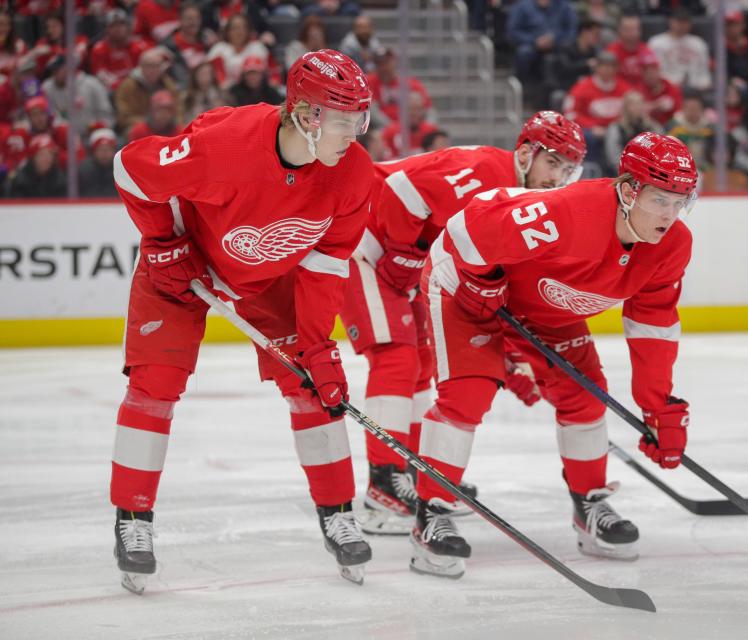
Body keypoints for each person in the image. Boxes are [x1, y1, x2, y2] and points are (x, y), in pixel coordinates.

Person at [108, 49, 376, 594]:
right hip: (184, 261)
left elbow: (325, 264)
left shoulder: (354, 173)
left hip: (270, 274)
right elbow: (129, 169)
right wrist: (163, 240)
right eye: (343, 121)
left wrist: (316, 345)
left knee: (311, 387)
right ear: (304, 114)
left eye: (359, 120)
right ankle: (133, 521)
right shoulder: (224, 144)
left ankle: (338, 513)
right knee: (154, 386)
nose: (354, 134)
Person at [406, 132, 698, 579]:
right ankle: (432, 513)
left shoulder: (672, 246)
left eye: (682, 202)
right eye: (661, 200)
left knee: (585, 396)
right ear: (627, 190)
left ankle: (590, 507)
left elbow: (653, 326)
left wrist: (657, 405)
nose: (672, 215)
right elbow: (469, 229)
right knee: (468, 394)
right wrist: (483, 279)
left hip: (543, 308)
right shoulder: (569, 212)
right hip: (463, 287)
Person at [339, 111, 586, 536]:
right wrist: (402, 248)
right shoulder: (484, 172)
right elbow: (401, 189)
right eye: (553, 163)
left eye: (568, 169)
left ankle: (413, 473)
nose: (558, 178)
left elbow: (486, 290)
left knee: (419, 361)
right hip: (360, 239)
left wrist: (508, 361)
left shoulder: (525, 203)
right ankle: (384, 486)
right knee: (396, 358)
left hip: (402, 263)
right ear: (526, 153)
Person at [115, 47, 181, 135]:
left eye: (157, 66)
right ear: (141, 67)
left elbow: (179, 109)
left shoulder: (168, 84)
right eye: (149, 66)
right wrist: (149, 123)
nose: (153, 70)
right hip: (137, 125)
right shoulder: (128, 86)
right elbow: (124, 116)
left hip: (166, 124)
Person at [647, 8, 711, 91]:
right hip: (666, 89)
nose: (682, 25)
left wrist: (703, 84)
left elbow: (704, 73)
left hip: (694, 90)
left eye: (685, 22)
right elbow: (653, 72)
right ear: (670, 21)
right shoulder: (656, 43)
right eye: (678, 21)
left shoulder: (699, 43)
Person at [89, 9, 151, 91]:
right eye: (113, 26)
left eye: (121, 25)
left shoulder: (140, 46)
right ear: (106, 29)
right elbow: (101, 75)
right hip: (111, 91)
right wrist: (122, 86)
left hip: (138, 88)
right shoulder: (99, 49)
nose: (117, 29)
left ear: (128, 27)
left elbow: (146, 71)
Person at [6, 134, 66, 199]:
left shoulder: (59, 179)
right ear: (33, 157)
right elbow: (16, 206)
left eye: (50, 154)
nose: (46, 159)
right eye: (42, 154)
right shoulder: (21, 180)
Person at [79, 128, 120, 197]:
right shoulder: (83, 172)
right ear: (93, 151)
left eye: (108, 149)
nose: (104, 153)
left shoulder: (121, 171)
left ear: (114, 151)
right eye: (100, 149)